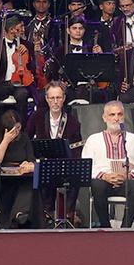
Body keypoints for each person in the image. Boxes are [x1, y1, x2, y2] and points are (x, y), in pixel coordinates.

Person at [25, 81, 84, 222]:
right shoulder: (37, 116)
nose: (55, 102)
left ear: (64, 99)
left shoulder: (72, 121)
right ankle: (47, 213)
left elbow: (77, 150)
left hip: (64, 165)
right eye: (52, 98)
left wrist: (71, 164)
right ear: (46, 99)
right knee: (42, 172)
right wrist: (31, 161)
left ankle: (68, 214)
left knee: (75, 174)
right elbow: (26, 140)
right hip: (43, 163)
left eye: (58, 98)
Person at [83, 101, 134, 228]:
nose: (116, 118)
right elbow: (86, 166)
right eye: (112, 115)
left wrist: (128, 176)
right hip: (104, 181)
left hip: (126, 181)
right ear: (104, 117)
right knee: (97, 185)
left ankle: (125, 227)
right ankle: (105, 226)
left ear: (123, 117)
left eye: (119, 114)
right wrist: (105, 176)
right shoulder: (93, 140)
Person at [0, 109, 37, 228]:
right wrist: (6, 141)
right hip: (2, 178)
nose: (17, 132)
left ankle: (19, 214)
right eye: (13, 130)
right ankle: (12, 218)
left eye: (18, 128)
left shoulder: (24, 138)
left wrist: (28, 165)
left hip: (21, 175)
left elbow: (31, 159)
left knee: (31, 183)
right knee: (6, 188)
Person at [0, 16, 34, 117]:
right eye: (20, 27)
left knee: (22, 95)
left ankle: (21, 125)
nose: (23, 30)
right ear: (11, 30)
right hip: (2, 84)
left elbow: (32, 68)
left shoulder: (27, 45)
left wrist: (27, 53)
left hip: (19, 84)